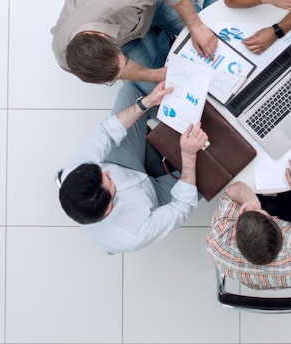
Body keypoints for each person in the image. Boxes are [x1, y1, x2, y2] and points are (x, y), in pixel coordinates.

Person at [58, 80, 208, 253]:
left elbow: (106, 133)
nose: (106, 172)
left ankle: (178, 112)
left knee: (132, 90)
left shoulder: (75, 172)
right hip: (157, 196)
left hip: (123, 163)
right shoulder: (131, 236)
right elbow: (181, 207)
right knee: (210, 174)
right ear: (108, 208)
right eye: (107, 179)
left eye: (101, 171)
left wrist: (146, 103)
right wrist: (188, 156)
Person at [51, 0, 218, 93]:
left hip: (151, 5)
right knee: (157, 90)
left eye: (122, 63)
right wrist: (157, 75)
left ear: (104, 37)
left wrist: (195, 26)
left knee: (211, 37)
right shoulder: (65, 57)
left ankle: (163, 34)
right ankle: (161, 40)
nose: (123, 70)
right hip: (127, 36)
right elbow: (117, 67)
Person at [206, 161, 291, 290]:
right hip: (289, 215)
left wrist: (251, 201)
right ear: (281, 231)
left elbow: (232, 190)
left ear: (234, 233)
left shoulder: (219, 244)